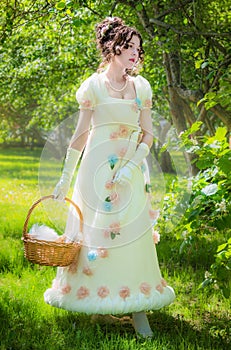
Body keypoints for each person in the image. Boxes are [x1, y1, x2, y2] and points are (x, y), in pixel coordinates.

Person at [44, 17, 175, 338]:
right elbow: (78, 137)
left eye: (138, 48)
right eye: (128, 46)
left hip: (130, 173)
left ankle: (137, 306)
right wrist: (64, 179)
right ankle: (87, 301)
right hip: (95, 170)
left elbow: (147, 135)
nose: (135, 53)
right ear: (110, 47)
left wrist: (132, 166)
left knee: (131, 239)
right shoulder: (93, 87)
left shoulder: (141, 87)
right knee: (94, 236)